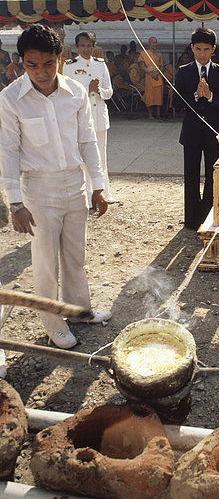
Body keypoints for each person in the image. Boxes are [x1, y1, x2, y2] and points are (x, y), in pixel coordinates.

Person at [0, 24, 111, 354]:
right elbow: (7, 151)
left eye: (48, 63)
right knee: (45, 263)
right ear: (22, 63)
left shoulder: (76, 93)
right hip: (39, 190)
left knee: (75, 256)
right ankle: (53, 325)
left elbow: (88, 141)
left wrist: (98, 186)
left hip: (74, 185)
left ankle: (79, 311)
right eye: (32, 65)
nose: (41, 72)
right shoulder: (10, 100)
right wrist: (15, 204)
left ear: (59, 58)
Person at [174, 27, 219, 230]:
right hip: (190, 133)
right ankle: (191, 220)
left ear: (213, 49)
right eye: (198, 49)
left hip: (213, 133)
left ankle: (208, 217)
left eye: (206, 49)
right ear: (192, 48)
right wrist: (196, 96)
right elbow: (175, 103)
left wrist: (211, 96)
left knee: (212, 176)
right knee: (191, 177)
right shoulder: (183, 72)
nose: (202, 53)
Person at [63, 31, 115, 204]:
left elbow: (109, 91)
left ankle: (104, 192)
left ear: (94, 47)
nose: (86, 49)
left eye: (89, 45)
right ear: (77, 47)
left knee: (101, 157)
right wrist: (88, 90)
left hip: (99, 117)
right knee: (83, 158)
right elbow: (67, 95)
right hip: (81, 119)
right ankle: (86, 194)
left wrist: (98, 91)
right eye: (83, 46)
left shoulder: (100, 65)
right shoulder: (69, 66)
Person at [138, 37, 164, 119]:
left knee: (158, 96)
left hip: (158, 76)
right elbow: (142, 66)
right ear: (149, 44)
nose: (155, 44)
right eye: (153, 42)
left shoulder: (159, 54)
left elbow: (162, 66)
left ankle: (158, 114)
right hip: (149, 76)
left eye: (156, 42)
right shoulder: (144, 54)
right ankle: (150, 115)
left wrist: (157, 73)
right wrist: (151, 73)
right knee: (149, 96)